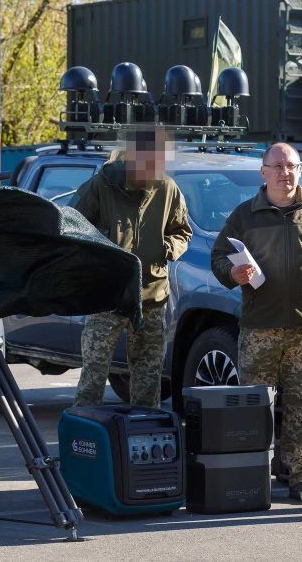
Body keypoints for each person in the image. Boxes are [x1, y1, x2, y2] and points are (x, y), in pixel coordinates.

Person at [211, 142, 302, 504]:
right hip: (260, 328)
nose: (284, 173)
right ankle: (253, 473)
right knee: (254, 405)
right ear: (263, 172)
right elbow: (218, 257)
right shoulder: (245, 215)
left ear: (300, 170)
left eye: (290, 166)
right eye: (276, 167)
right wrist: (233, 273)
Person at [73, 129, 192, 409]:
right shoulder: (101, 186)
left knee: (149, 376)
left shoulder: (168, 189)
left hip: (151, 296)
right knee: (93, 373)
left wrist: (168, 249)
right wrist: (100, 248)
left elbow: (182, 231)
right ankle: (84, 434)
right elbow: (72, 226)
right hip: (108, 297)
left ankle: (143, 431)